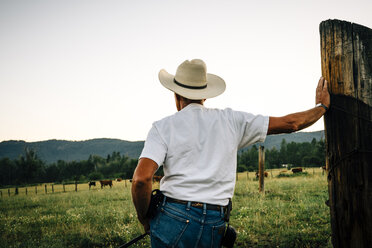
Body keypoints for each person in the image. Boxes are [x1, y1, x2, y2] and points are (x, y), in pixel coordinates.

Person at [131, 59, 330, 247]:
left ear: (176, 95)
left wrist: (145, 219)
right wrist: (321, 108)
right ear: (205, 94)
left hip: (172, 215)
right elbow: (291, 123)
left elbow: (141, 179)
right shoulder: (231, 121)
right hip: (215, 221)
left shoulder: (162, 128)